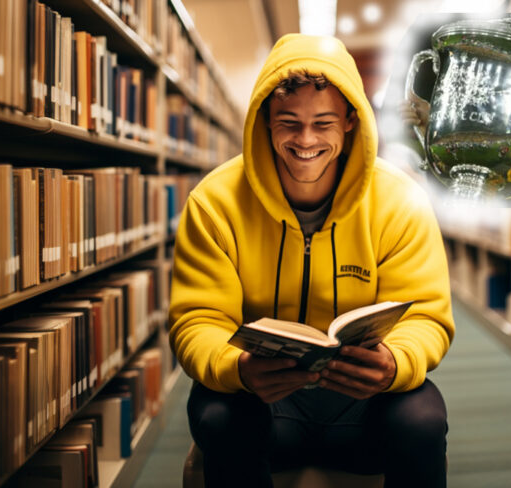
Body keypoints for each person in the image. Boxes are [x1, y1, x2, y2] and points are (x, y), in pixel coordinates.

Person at [168, 33, 455, 488]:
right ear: (264, 121)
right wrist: (237, 369)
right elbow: (196, 321)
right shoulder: (215, 202)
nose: (305, 140)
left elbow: (426, 315)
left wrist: (395, 363)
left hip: (363, 411)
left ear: (349, 123)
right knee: (218, 413)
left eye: (323, 123)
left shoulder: (400, 202)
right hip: (263, 407)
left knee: (422, 416)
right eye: (289, 121)